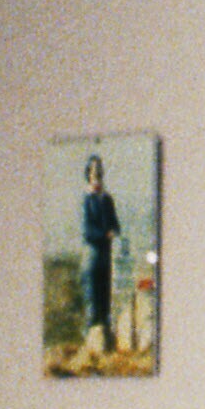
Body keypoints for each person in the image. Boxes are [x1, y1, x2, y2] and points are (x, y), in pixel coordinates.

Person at [78, 152, 123, 354]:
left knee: (105, 297)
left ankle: (105, 346)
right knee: (93, 298)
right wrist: (105, 234)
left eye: (99, 169)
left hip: (106, 255)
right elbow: (87, 230)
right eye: (93, 170)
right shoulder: (86, 199)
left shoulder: (107, 199)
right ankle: (91, 346)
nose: (96, 173)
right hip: (92, 254)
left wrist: (113, 231)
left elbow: (116, 224)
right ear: (88, 173)